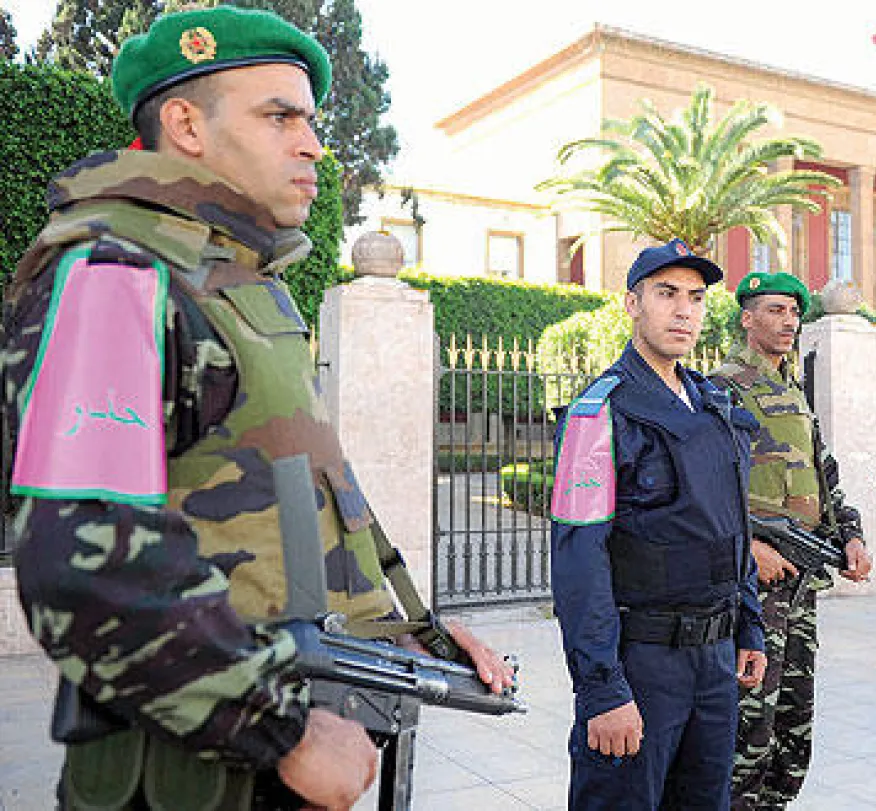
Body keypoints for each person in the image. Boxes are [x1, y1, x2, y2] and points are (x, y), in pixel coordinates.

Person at [2, 8, 512, 810]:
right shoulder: (115, 271)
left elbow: (315, 504)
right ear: (185, 125)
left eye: (311, 120)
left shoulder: (243, 282)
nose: (312, 143)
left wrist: (416, 635)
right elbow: (82, 562)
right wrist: (285, 732)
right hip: (192, 775)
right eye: (280, 116)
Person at [550, 239, 768, 811]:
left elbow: (734, 526)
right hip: (640, 663)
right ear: (632, 304)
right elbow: (579, 561)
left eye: (695, 298)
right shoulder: (597, 414)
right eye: (666, 294)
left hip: (716, 664)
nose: (683, 311)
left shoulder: (714, 404)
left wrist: (749, 626)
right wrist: (601, 689)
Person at [709, 271, 873, 811]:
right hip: (754, 585)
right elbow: (705, 484)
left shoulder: (793, 391)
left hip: (801, 577)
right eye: (775, 310)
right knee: (748, 718)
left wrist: (850, 536)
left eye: (793, 312)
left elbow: (826, 474)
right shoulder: (723, 384)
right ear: (747, 318)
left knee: (793, 723)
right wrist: (748, 548)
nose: (788, 321)